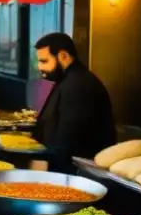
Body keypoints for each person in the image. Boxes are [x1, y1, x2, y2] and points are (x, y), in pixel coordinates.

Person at [33, 32, 116, 171]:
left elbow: (67, 143)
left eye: (44, 61)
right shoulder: (70, 79)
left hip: (76, 172)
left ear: (63, 56)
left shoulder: (78, 85)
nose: (39, 67)